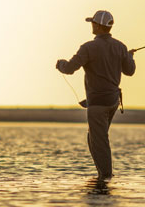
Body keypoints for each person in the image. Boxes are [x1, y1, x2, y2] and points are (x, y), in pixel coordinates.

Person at [56, 10, 136, 180]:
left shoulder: (88, 48)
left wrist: (60, 64)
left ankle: (105, 178)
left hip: (98, 105)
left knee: (99, 141)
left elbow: (69, 68)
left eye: (93, 23)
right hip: (113, 102)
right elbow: (130, 71)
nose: (91, 25)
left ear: (98, 26)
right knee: (93, 137)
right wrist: (129, 56)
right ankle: (102, 175)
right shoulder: (120, 47)